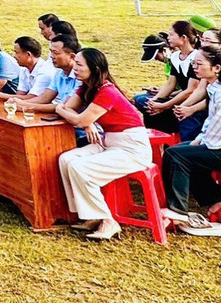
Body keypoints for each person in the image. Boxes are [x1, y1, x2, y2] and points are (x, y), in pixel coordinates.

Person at [55, 48, 152, 241]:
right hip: (109, 141)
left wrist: (69, 113)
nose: (75, 67)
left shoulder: (107, 91)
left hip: (131, 147)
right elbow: (71, 110)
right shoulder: (87, 87)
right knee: (66, 159)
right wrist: (85, 120)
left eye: (80, 64)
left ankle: (108, 220)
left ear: (94, 68)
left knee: (80, 167)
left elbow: (74, 117)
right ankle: (90, 214)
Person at [161, 45, 221, 233]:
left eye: (199, 63)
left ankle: (178, 208)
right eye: (194, 63)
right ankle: (216, 199)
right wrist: (199, 140)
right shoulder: (214, 87)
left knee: (178, 155)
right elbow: (211, 121)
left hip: (217, 146)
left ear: (216, 68)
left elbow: (217, 129)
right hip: (214, 141)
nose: (195, 67)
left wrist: (202, 142)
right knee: (180, 151)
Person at [136, 20, 204, 138]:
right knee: (143, 102)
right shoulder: (175, 57)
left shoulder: (196, 58)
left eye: (172, 34)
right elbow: (170, 83)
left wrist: (165, 105)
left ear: (183, 38)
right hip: (179, 99)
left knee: (184, 116)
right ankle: (159, 140)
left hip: (193, 102)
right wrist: (155, 101)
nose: (168, 38)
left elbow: (190, 90)